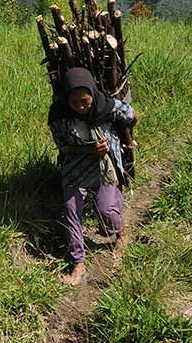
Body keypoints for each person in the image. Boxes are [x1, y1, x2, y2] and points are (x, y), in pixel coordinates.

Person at [48, 67, 137, 286]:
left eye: (84, 101)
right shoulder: (59, 116)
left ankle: (121, 233)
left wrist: (122, 137)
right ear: (66, 99)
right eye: (74, 102)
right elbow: (62, 146)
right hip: (75, 166)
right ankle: (78, 263)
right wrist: (87, 150)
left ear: (92, 94)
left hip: (104, 165)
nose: (80, 106)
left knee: (106, 210)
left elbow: (131, 114)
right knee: (71, 211)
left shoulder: (105, 106)